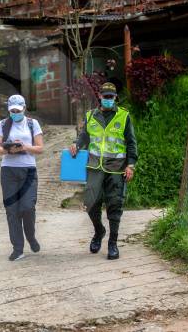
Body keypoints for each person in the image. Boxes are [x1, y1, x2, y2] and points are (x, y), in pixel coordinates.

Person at [69, 82, 138, 260]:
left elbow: (131, 142)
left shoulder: (124, 116)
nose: (108, 99)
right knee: (91, 205)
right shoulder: (91, 115)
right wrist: (77, 144)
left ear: (115, 98)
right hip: (94, 168)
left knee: (115, 206)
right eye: (105, 96)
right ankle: (99, 231)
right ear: (100, 96)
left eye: (111, 97)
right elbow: (85, 135)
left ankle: (112, 244)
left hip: (116, 169)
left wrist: (131, 165)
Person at [0, 95, 44, 261]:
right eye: (12, 111)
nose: (15, 113)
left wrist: (24, 147)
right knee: (12, 211)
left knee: (27, 207)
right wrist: (9, 150)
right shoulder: (2, 124)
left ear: (24, 108)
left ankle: (31, 236)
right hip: (8, 170)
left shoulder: (32, 123)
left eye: (18, 110)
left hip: (28, 170)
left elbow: (40, 148)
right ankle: (18, 248)